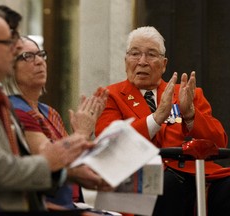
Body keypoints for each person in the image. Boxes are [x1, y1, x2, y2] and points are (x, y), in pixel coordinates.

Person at [0, 5, 93, 212]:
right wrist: (54, 158)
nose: (15, 50)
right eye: (9, 43)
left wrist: (66, 173)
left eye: (40, 55)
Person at [95, 26, 230, 216]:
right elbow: (109, 144)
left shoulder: (188, 94)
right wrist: (156, 118)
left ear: (164, 64)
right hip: (141, 177)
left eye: (151, 55)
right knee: (167, 186)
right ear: (125, 61)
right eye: (135, 54)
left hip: (196, 174)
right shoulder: (110, 96)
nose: (142, 62)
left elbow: (219, 142)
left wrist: (190, 115)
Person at [3, 36, 112, 209]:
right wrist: (82, 133)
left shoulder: (49, 111)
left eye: (40, 54)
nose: (39, 61)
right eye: (28, 56)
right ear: (9, 68)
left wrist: (86, 136)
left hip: (73, 202)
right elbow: (50, 161)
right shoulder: (15, 110)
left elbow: (73, 161)